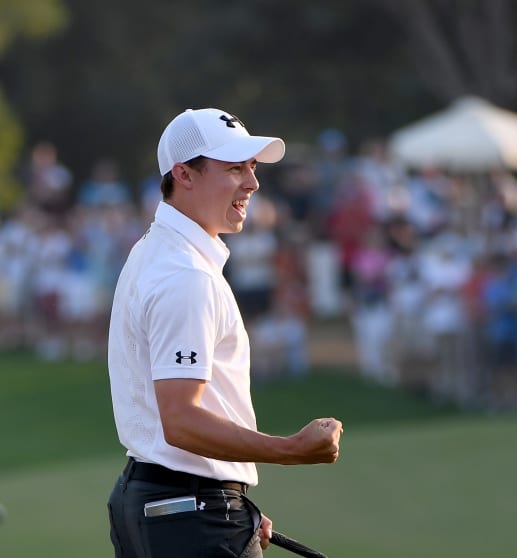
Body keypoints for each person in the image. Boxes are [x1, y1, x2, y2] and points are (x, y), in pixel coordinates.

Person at [106, 108, 343, 558]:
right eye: (234, 168)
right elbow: (181, 420)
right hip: (186, 515)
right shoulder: (186, 275)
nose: (252, 183)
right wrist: (290, 450)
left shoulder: (154, 251)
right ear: (184, 175)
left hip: (166, 504)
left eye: (252, 168)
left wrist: (232, 498)